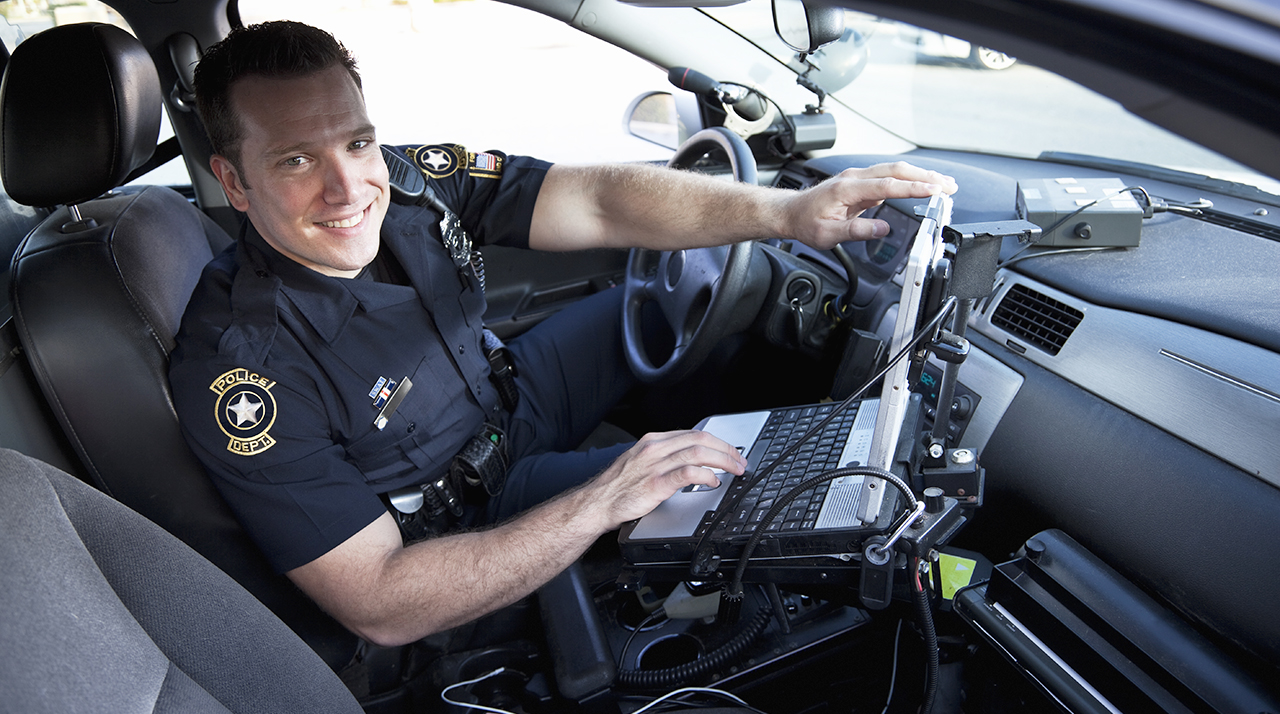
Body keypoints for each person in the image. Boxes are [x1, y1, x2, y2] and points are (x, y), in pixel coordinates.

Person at [169, 20, 957, 649]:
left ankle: (812, 435)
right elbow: (379, 600)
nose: (348, 188)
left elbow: (598, 201)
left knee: (661, 306)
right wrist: (605, 499)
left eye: (357, 141)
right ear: (234, 182)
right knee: (740, 487)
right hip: (469, 515)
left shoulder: (409, 181)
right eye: (297, 160)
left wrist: (787, 213)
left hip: (513, 395)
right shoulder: (241, 372)